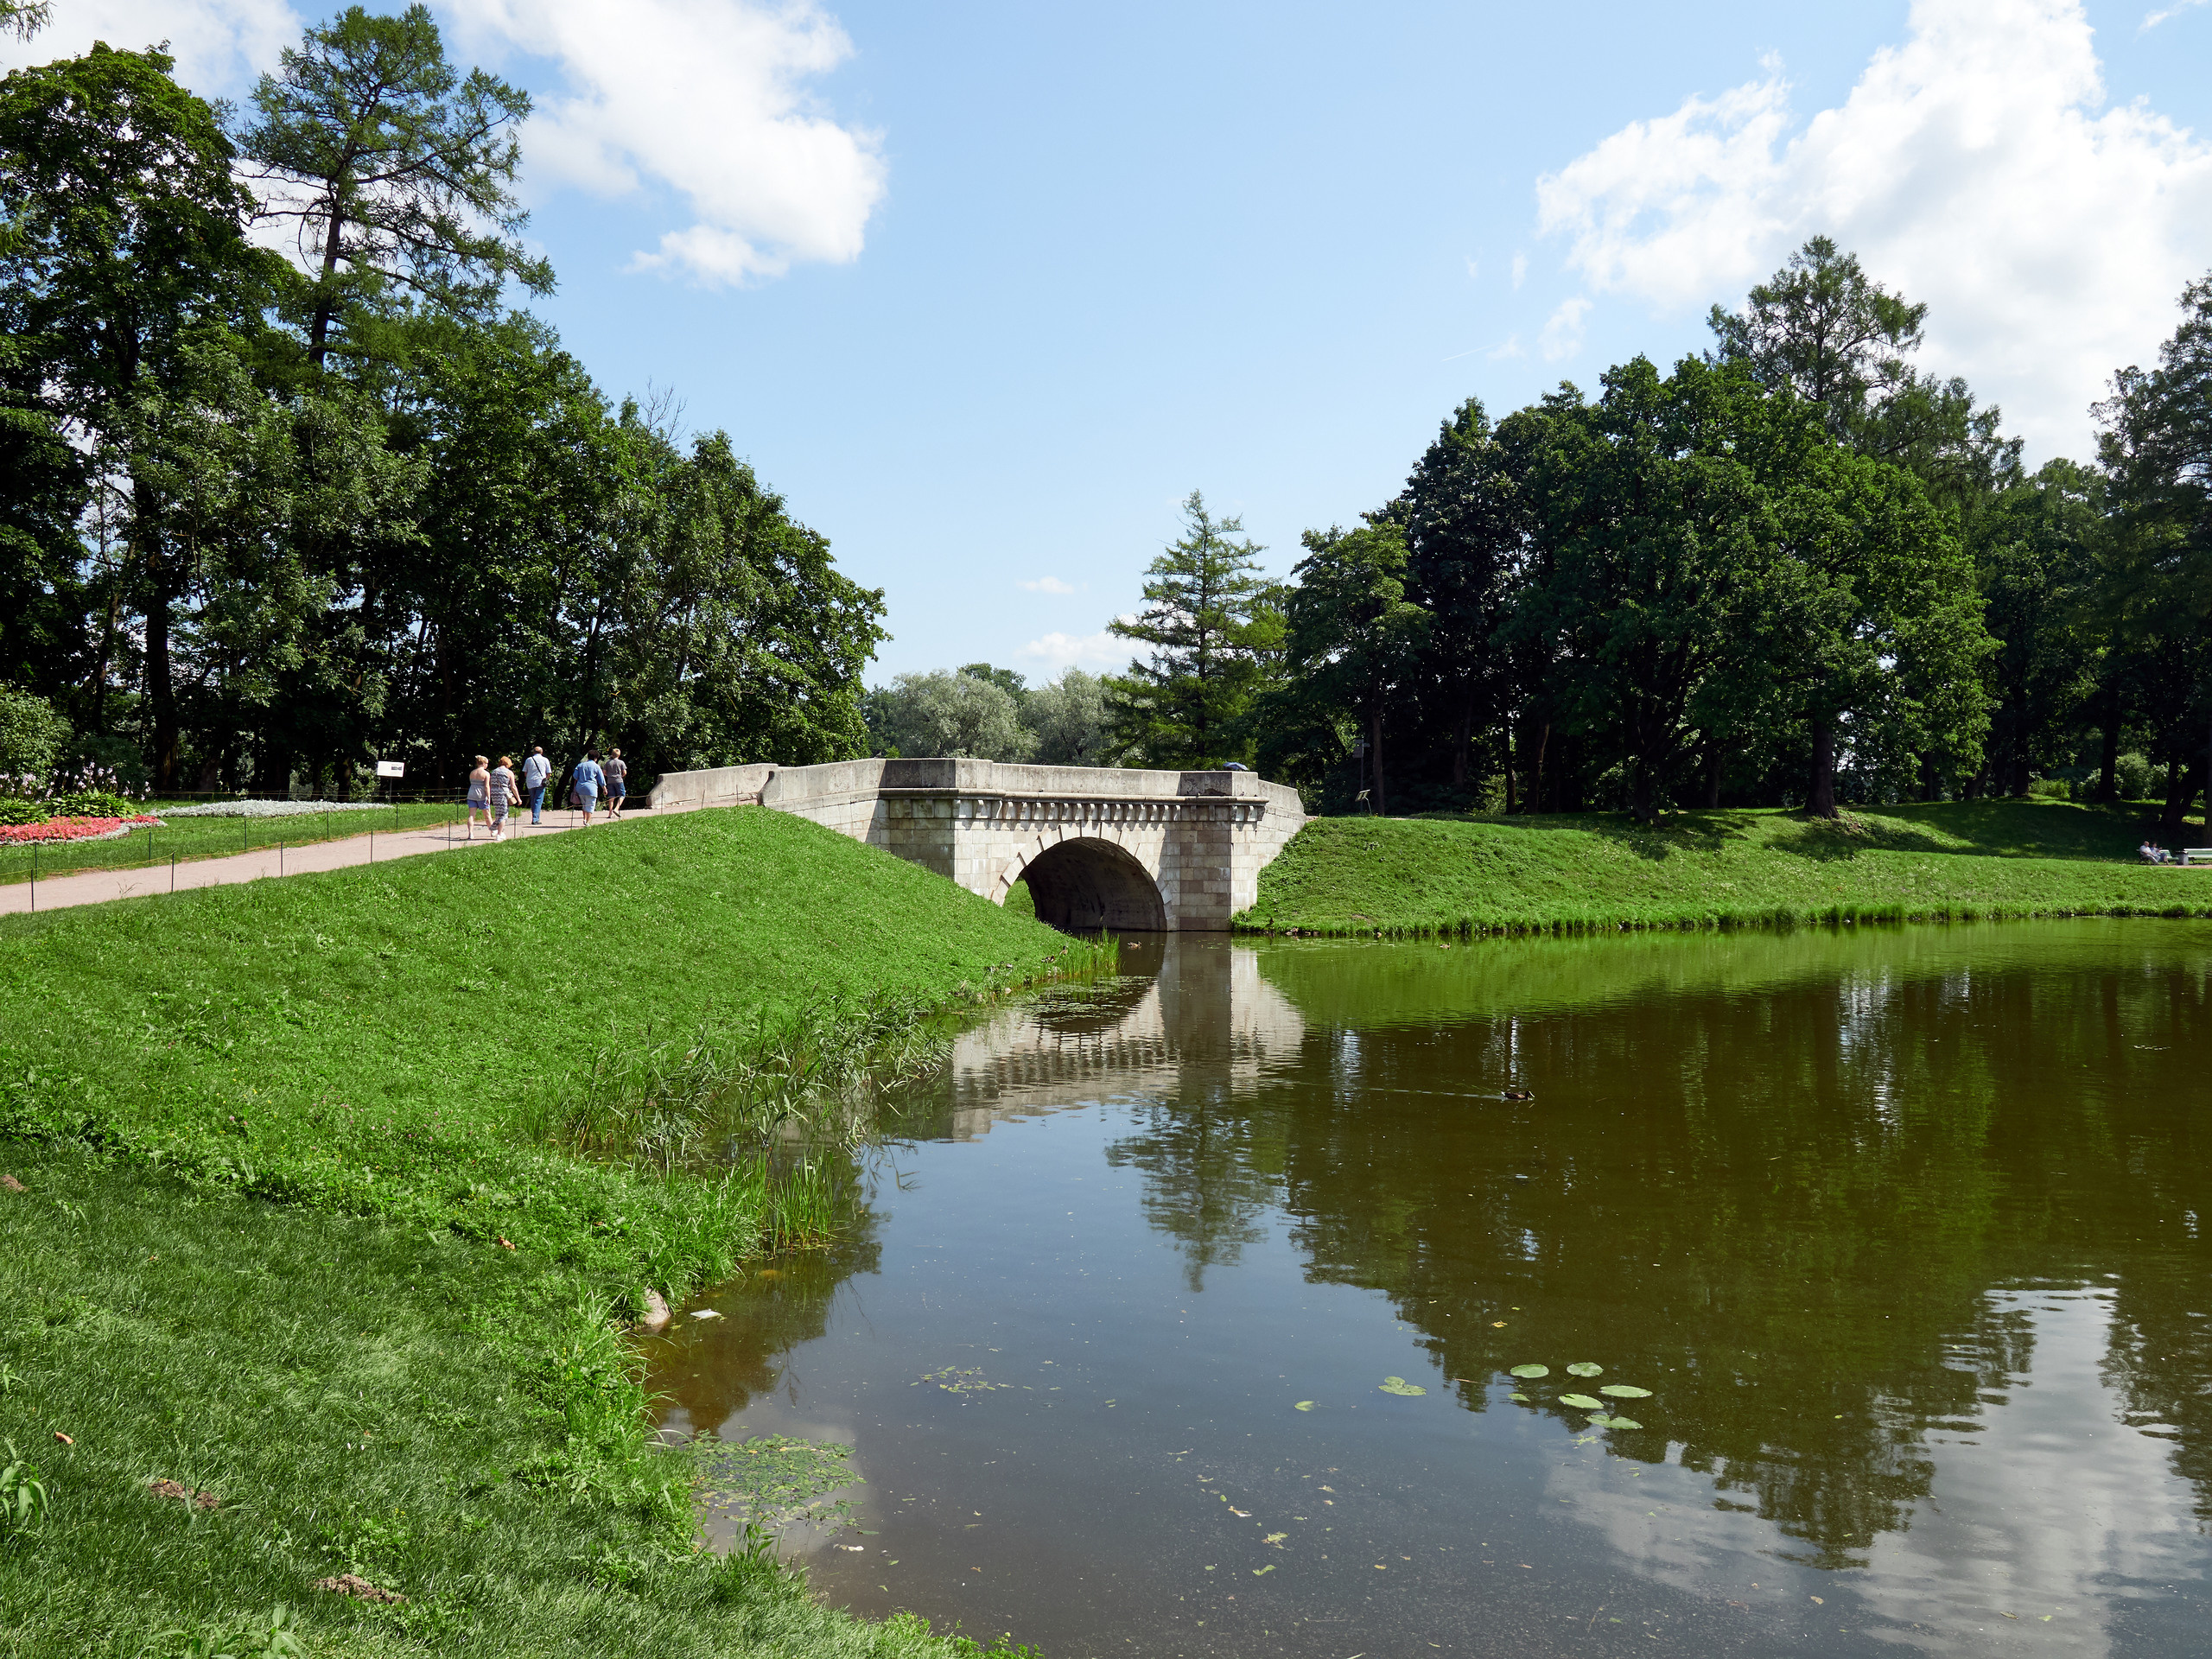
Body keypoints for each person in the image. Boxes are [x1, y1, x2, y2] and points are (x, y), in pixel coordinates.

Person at [488, 754, 518, 840]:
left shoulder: (493, 772)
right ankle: (499, 834)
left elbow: (490, 784)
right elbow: (513, 786)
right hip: (503, 794)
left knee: (498, 812)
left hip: (494, 793)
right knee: (504, 814)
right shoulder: (509, 772)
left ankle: (497, 830)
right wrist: (518, 798)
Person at [572, 749, 607, 824]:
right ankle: (588, 822)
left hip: (580, 788)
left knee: (584, 804)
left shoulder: (580, 765)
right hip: (591, 788)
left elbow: (575, 776)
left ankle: (584, 819)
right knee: (590, 805)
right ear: (596, 758)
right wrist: (604, 788)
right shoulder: (596, 766)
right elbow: (601, 779)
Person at [521, 746, 551, 824]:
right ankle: (535, 819)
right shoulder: (545, 760)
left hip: (530, 783)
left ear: (533, 752)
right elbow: (549, 773)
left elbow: (525, 773)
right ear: (541, 752)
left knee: (533, 799)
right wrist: (546, 779)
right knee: (538, 800)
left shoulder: (529, 760)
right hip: (541, 782)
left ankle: (534, 816)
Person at [465, 755, 491, 836]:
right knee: (487, 815)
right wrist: (488, 797)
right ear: (483, 763)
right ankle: (493, 831)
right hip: (481, 795)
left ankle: (470, 833)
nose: (487, 765)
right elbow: (486, 786)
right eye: (487, 763)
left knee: (471, 815)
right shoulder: (486, 773)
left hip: (471, 794)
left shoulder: (472, 772)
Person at [604, 747, 628, 817]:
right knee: (622, 795)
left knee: (611, 797)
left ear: (612, 754)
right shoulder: (621, 762)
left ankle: (610, 814)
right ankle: (616, 809)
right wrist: (621, 776)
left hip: (610, 780)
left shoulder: (608, 763)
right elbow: (625, 772)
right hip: (618, 780)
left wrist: (609, 775)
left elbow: (604, 772)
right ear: (619, 755)